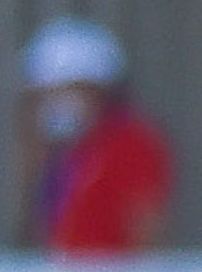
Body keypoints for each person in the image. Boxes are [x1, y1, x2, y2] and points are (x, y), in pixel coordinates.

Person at [16, 17, 172, 254]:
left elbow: (147, 228)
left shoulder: (131, 144)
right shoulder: (62, 152)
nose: (57, 104)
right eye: (47, 94)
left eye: (69, 90)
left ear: (100, 91)